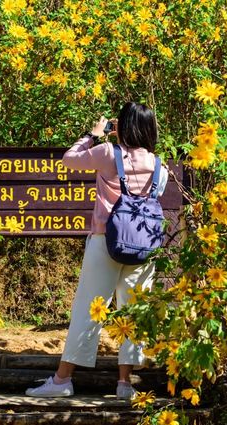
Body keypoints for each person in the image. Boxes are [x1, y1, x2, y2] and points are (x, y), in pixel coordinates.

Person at [25, 102, 168, 399]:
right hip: (143, 246)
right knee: (133, 312)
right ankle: (125, 384)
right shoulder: (159, 166)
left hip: (106, 240)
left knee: (89, 309)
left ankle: (63, 380)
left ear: (124, 126)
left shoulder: (108, 153)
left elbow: (69, 160)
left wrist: (93, 135)